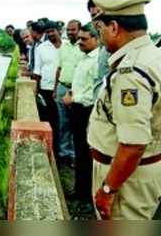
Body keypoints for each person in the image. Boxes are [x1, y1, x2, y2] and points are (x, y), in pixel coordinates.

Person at [88, 0, 161, 220]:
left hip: (127, 180)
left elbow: (133, 144)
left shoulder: (131, 72)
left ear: (114, 27)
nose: (99, 37)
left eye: (100, 30)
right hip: (137, 173)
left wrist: (108, 189)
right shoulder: (153, 56)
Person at [62, 22, 99, 216]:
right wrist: (71, 93)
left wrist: (73, 98)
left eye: (84, 39)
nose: (80, 42)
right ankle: (79, 191)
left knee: (86, 155)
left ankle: (86, 198)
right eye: (80, 39)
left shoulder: (96, 61)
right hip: (76, 108)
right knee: (79, 152)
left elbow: (95, 94)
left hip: (86, 111)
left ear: (96, 39)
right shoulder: (84, 58)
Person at [53, 19, 82, 166]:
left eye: (73, 30)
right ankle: (64, 153)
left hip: (76, 90)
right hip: (62, 87)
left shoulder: (83, 47)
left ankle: (74, 154)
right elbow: (59, 69)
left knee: (75, 123)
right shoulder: (63, 47)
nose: (70, 32)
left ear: (79, 30)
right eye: (68, 30)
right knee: (63, 123)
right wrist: (55, 88)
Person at [34, 20, 62, 155]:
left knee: (64, 121)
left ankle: (63, 149)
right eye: (48, 31)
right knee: (52, 120)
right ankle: (53, 150)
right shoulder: (41, 48)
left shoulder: (67, 46)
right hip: (46, 88)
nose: (51, 34)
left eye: (53, 30)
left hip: (63, 88)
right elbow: (37, 70)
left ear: (59, 31)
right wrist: (36, 91)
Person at [88, 0, 111, 100]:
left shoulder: (116, 47)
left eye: (100, 14)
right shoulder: (103, 45)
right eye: (93, 16)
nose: (97, 20)